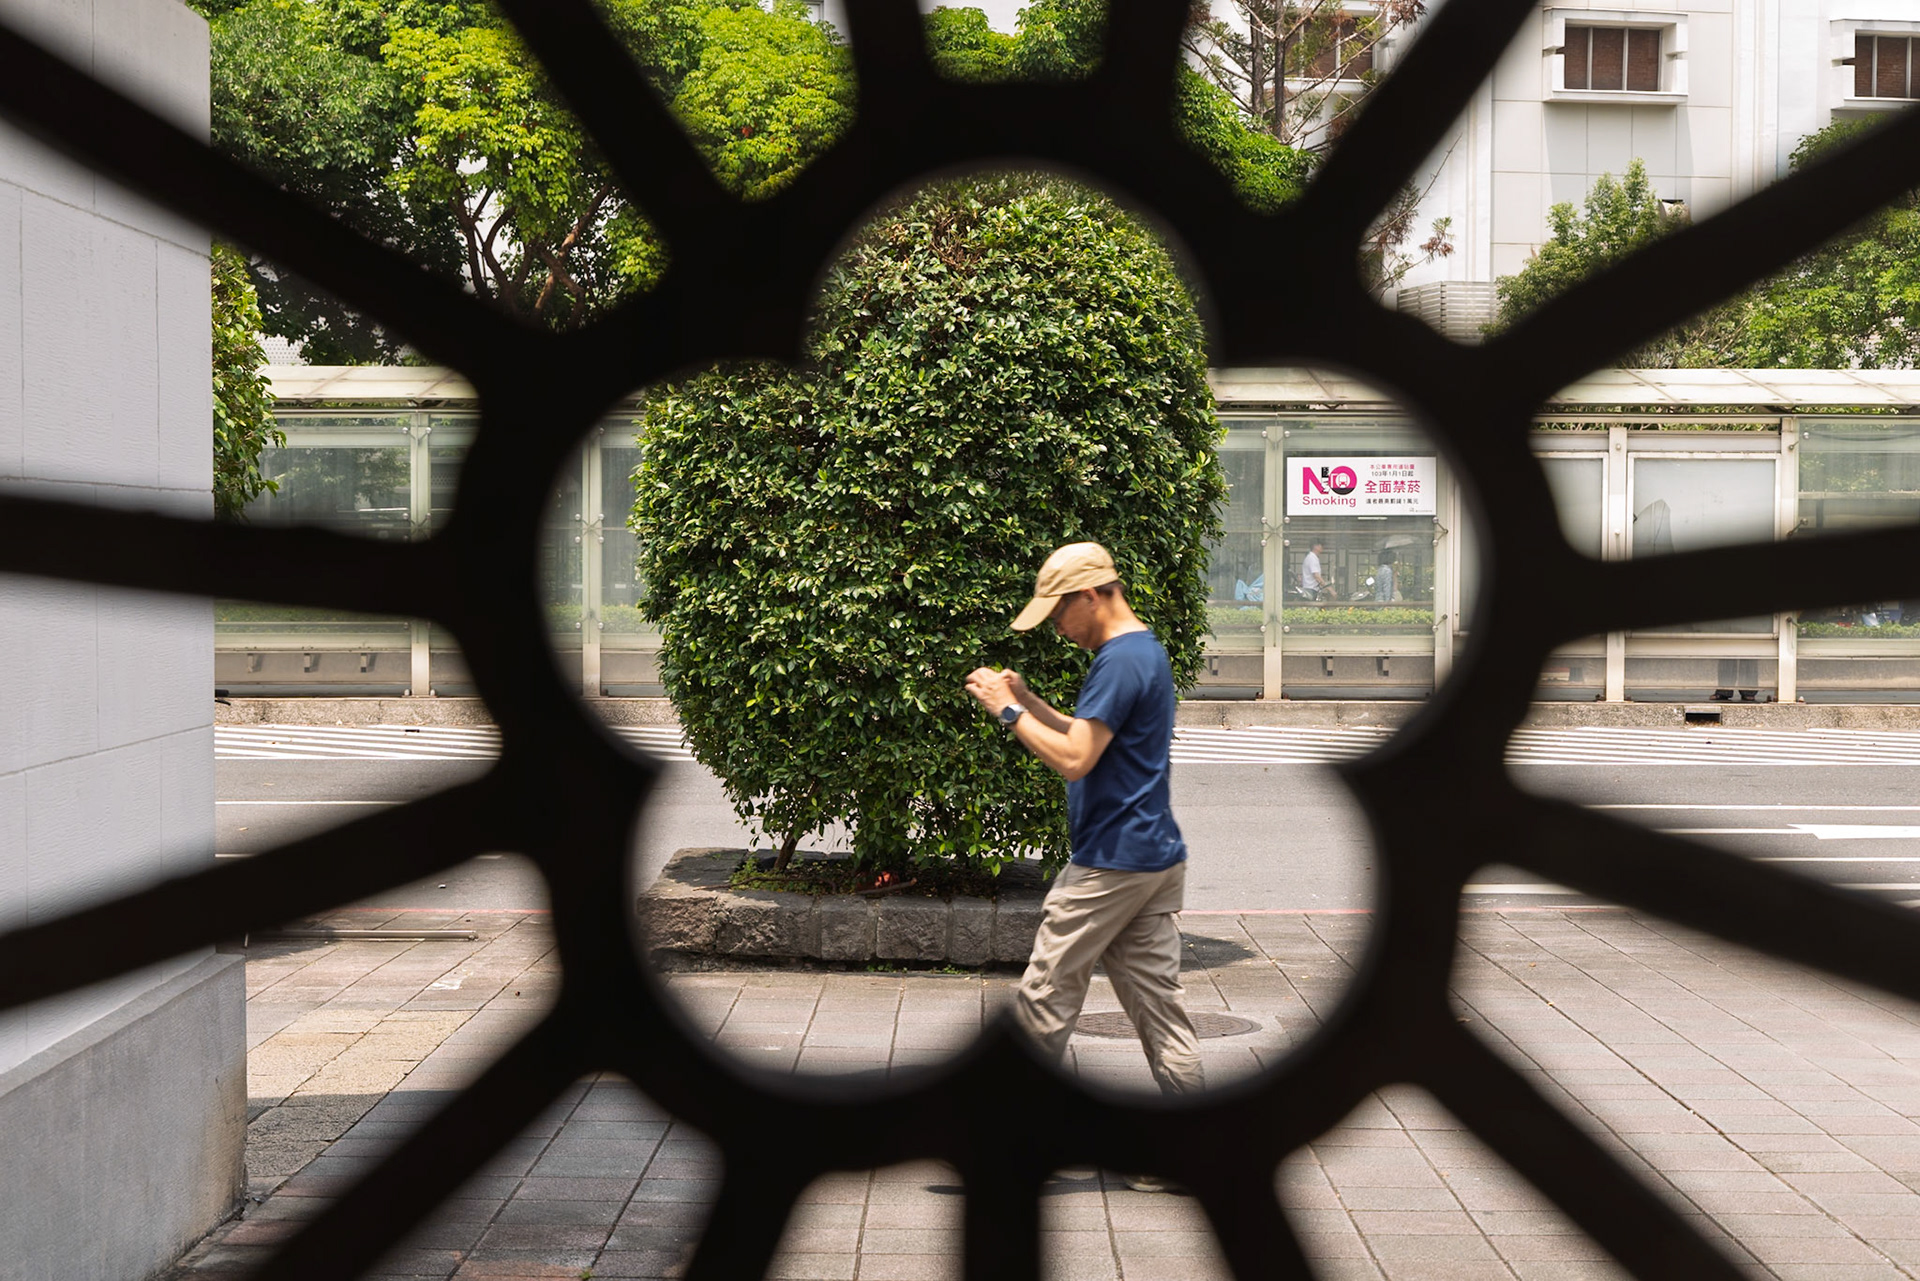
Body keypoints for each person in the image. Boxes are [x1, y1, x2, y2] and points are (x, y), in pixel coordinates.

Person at [965, 542, 1205, 1116]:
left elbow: (1076, 759)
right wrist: (1029, 700)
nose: (1056, 627)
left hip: (1110, 862)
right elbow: (1089, 734)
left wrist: (1007, 711)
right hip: (1152, 856)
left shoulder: (1119, 660)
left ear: (1091, 596)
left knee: (1045, 996)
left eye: (1057, 612)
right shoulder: (1142, 651)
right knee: (1161, 1014)